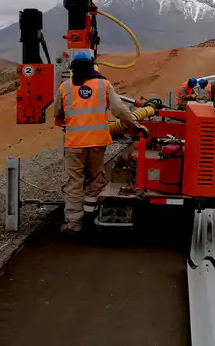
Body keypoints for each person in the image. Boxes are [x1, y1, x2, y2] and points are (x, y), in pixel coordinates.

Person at [54, 52, 148, 234]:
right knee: (95, 178)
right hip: (97, 142)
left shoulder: (65, 87)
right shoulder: (103, 85)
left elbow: (57, 114)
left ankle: (74, 224)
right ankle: (91, 212)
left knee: (75, 181)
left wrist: (66, 122)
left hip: (74, 144)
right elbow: (119, 109)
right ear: (92, 67)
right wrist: (135, 125)